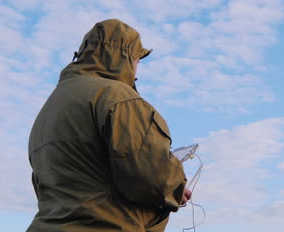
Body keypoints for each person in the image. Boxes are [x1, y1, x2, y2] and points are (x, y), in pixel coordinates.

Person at [27, 19, 191, 232]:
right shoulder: (117, 97)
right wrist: (177, 188)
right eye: (137, 59)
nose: (137, 67)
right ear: (123, 55)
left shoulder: (52, 106)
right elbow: (148, 175)